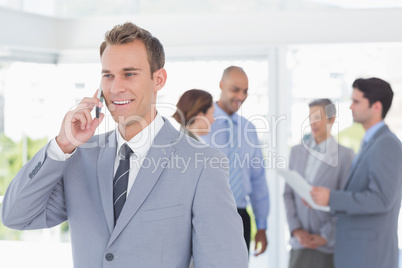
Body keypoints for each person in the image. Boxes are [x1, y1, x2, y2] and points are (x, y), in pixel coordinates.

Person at [1, 22, 248, 268]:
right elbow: (16, 216)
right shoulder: (79, 157)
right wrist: (62, 144)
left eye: (129, 73)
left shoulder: (202, 164)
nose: (116, 87)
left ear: (158, 79)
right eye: (108, 75)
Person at [311, 78, 402, 268]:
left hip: (370, 255)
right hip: (360, 253)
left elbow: (382, 200)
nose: (351, 107)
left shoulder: (387, 144)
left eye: (357, 101)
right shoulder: (371, 141)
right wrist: (323, 199)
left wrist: (332, 198)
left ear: (376, 106)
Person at [201, 66, 269, 256]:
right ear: (221, 85)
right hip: (206, 215)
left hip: (240, 215)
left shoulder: (249, 129)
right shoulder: (201, 123)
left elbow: (258, 180)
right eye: (235, 89)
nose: (241, 96)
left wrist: (262, 226)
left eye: (245, 91)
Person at [283, 99, 354, 268]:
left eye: (318, 117)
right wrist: (296, 229)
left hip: (327, 246)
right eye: (310, 117)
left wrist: (326, 235)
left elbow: (346, 200)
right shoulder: (296, 152)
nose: (313, 123)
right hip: (300, 242)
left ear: (332, 119)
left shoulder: (345, 156)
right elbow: (288, 194)